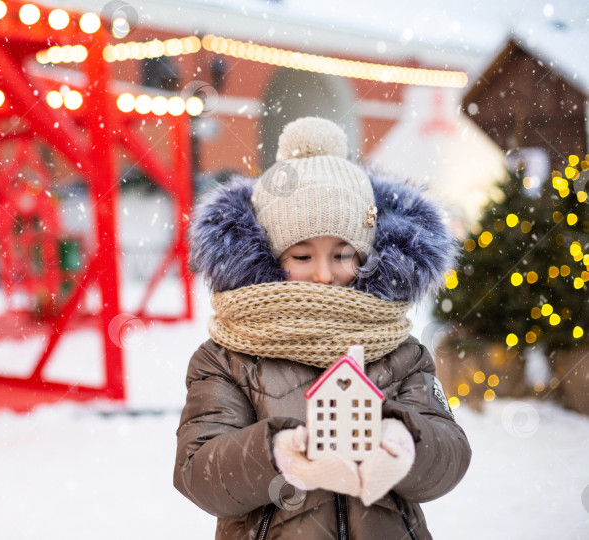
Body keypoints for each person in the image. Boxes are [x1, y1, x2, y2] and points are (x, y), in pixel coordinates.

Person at [174, 117, 471, 539]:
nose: (324, 275)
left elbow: (451, 453)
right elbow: (198, 471)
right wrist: (275, 453)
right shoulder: (227, 357)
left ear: (367, 254)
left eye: (343, 254)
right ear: (270, 258)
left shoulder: (398, 350)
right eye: (301, 256)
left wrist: (406, 443)